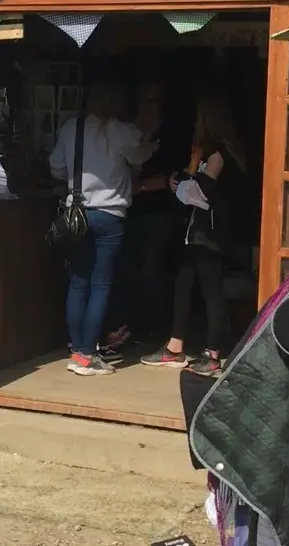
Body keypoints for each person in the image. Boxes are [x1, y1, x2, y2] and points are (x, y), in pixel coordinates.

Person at [49, 83, 156, 377]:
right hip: (109, 216)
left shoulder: (71, 128)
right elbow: (140, 156)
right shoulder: (119, 130)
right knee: (101, 285)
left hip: (77, 214)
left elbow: (56, 167)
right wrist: (150, 138)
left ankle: (76, 350)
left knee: (77, 283)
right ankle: (88, 354)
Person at [141, 96, 245, 375]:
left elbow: (198, 193)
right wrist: (182, 176)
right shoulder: (215, 154)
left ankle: (212, 354)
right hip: (196, 232)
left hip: (208, 234)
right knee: (183, 284)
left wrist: (188, 172)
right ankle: (175, 347)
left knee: (211, 291)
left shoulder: (218, 156)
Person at [99, 81, 186, 357]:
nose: (153, 107)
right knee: (130, 271)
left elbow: (173, 176)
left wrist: (144, 185)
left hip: (159, 212)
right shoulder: (126, 132)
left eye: (157, 102)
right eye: (147, 101)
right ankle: (132, 327)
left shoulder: (169, 135)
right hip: (130, 210)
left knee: (152, 271)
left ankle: (154, 330)